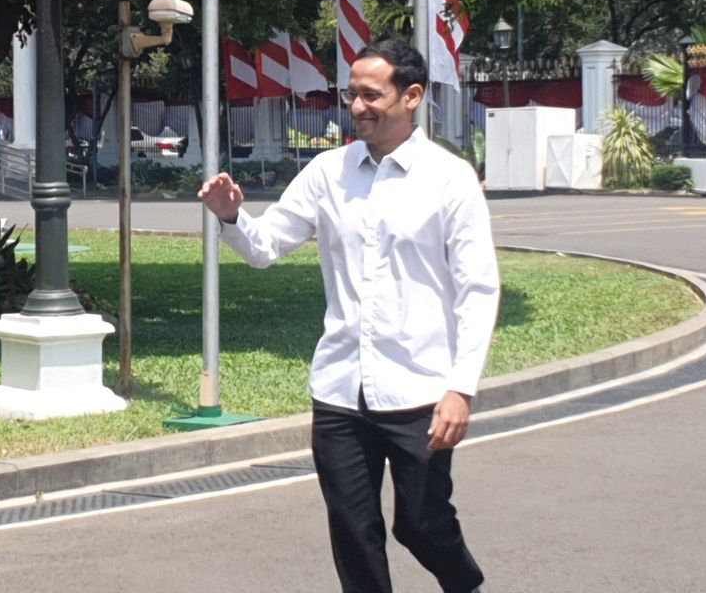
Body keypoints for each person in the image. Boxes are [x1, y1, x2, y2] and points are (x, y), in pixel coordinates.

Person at [199, 38, 499, 593]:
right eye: (351, 94)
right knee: (354, 533)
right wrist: (233, 217)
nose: (357, 106)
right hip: (340, 390)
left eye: (370, 94)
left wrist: (462, 388)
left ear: (411, 96)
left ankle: (467, 586)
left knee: (422, 525)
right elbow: (266, 247)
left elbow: (478, 289)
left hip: (420, 393)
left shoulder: (449, 178)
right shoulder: (327, 172)